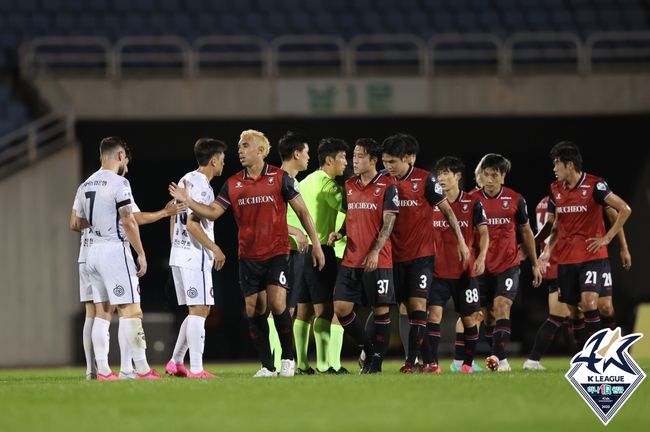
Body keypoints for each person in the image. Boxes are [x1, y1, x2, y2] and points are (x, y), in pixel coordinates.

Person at [169, 129, 325, 377]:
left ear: (260, 151)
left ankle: (287, 359)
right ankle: (266, 366)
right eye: (239, 146)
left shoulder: (280, 178)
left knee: (277, 303)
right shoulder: (232, 184)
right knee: (253, 310)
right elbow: (212, 213)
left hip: (276, 252)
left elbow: (304, 213)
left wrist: (315, 243)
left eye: (245, 146)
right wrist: (188, 202)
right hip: (248, 257)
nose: (239, 150)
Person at [70, 136, 161, 380]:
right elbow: (128, 219)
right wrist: (140, 253)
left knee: (102, 313)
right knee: (132, 311)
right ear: (121, 156)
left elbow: (76, 223)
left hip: (92, 253)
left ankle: (103, 371)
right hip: (113, 250)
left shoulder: (85, 185)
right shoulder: (120, 183)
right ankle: (140, 370)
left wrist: (99, 220)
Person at [381, 135, 469, 373]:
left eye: (393, 161)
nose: (388, 166)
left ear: (407, 159)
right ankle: (426, 361)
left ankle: (411, 363)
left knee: (419, 304)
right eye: (385, 161)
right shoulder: (383, 180)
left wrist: (461, 241)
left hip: (421, 255)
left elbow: (448, 211)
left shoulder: (425, 180)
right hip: (393, 256)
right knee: (400, 308)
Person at [538, 141, 631, 349]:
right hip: (566, 260)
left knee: (595, 304)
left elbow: (623, 209)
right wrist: (546, 251)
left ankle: (604, 353)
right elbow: (555, 227)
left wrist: (609, 240)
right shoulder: (555, 189)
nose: (554, 169)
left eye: (557, 164)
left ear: (569, 164)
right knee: (574, 311)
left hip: (593, 257)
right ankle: (583, 355)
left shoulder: (596, 185)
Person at [328, 138, 398, 374]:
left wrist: (375, 251)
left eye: (359, 156)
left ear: (373, 160)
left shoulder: (388, 186)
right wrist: (340, 233)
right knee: (341, 307)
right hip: (351, 258)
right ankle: (368, 348)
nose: (353, 161)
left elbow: (388, 223)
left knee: (381, 311)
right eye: (353, 156)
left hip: (378, 260)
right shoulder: (348, 184)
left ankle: (376, 364)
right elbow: (351, 217)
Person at [471, 153, 542, 372]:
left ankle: (500, 359)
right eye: (486, 174)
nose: (489, 180)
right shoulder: (472, 199)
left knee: (502, 306)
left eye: (494, 175)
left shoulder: (515, 199)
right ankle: (472, 359)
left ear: (503, 177)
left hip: (507, 265)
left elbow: (526, 231)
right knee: (486, 316)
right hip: (480, 266)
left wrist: (535, 263)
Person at [285, 136, 350, 374]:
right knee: (326, 310)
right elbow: (349, 207)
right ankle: (326, 365)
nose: (345, 162)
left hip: (299, 252)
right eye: (342, 157)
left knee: (303, 311)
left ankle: (301, 364)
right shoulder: (328, 184)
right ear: (330, 160)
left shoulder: (307, 180)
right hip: (319, 250)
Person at [165, 138, 228, 379]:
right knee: (201, 309)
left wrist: (175, 245)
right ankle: (197, 369)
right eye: (221, 160)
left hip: (181, 254)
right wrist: (215, 248)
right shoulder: (201, 185)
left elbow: (173, 213)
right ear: (213, 161)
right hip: (194, 256)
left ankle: (176, 361)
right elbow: (192, 224)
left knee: (196, 310)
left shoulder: (185, 179)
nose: (223, 164)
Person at [427, 156, 488, 374]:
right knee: (432, 315)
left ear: (458, 176)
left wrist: (481, 258)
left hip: (465, 272)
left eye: (446, 174)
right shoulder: (431, 202)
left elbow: (484, 232)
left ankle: (466, 365)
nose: (441, 178)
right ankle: (433, 364)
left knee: (470, 318)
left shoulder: (472, 202)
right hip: (437, 272)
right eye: (439, 173)